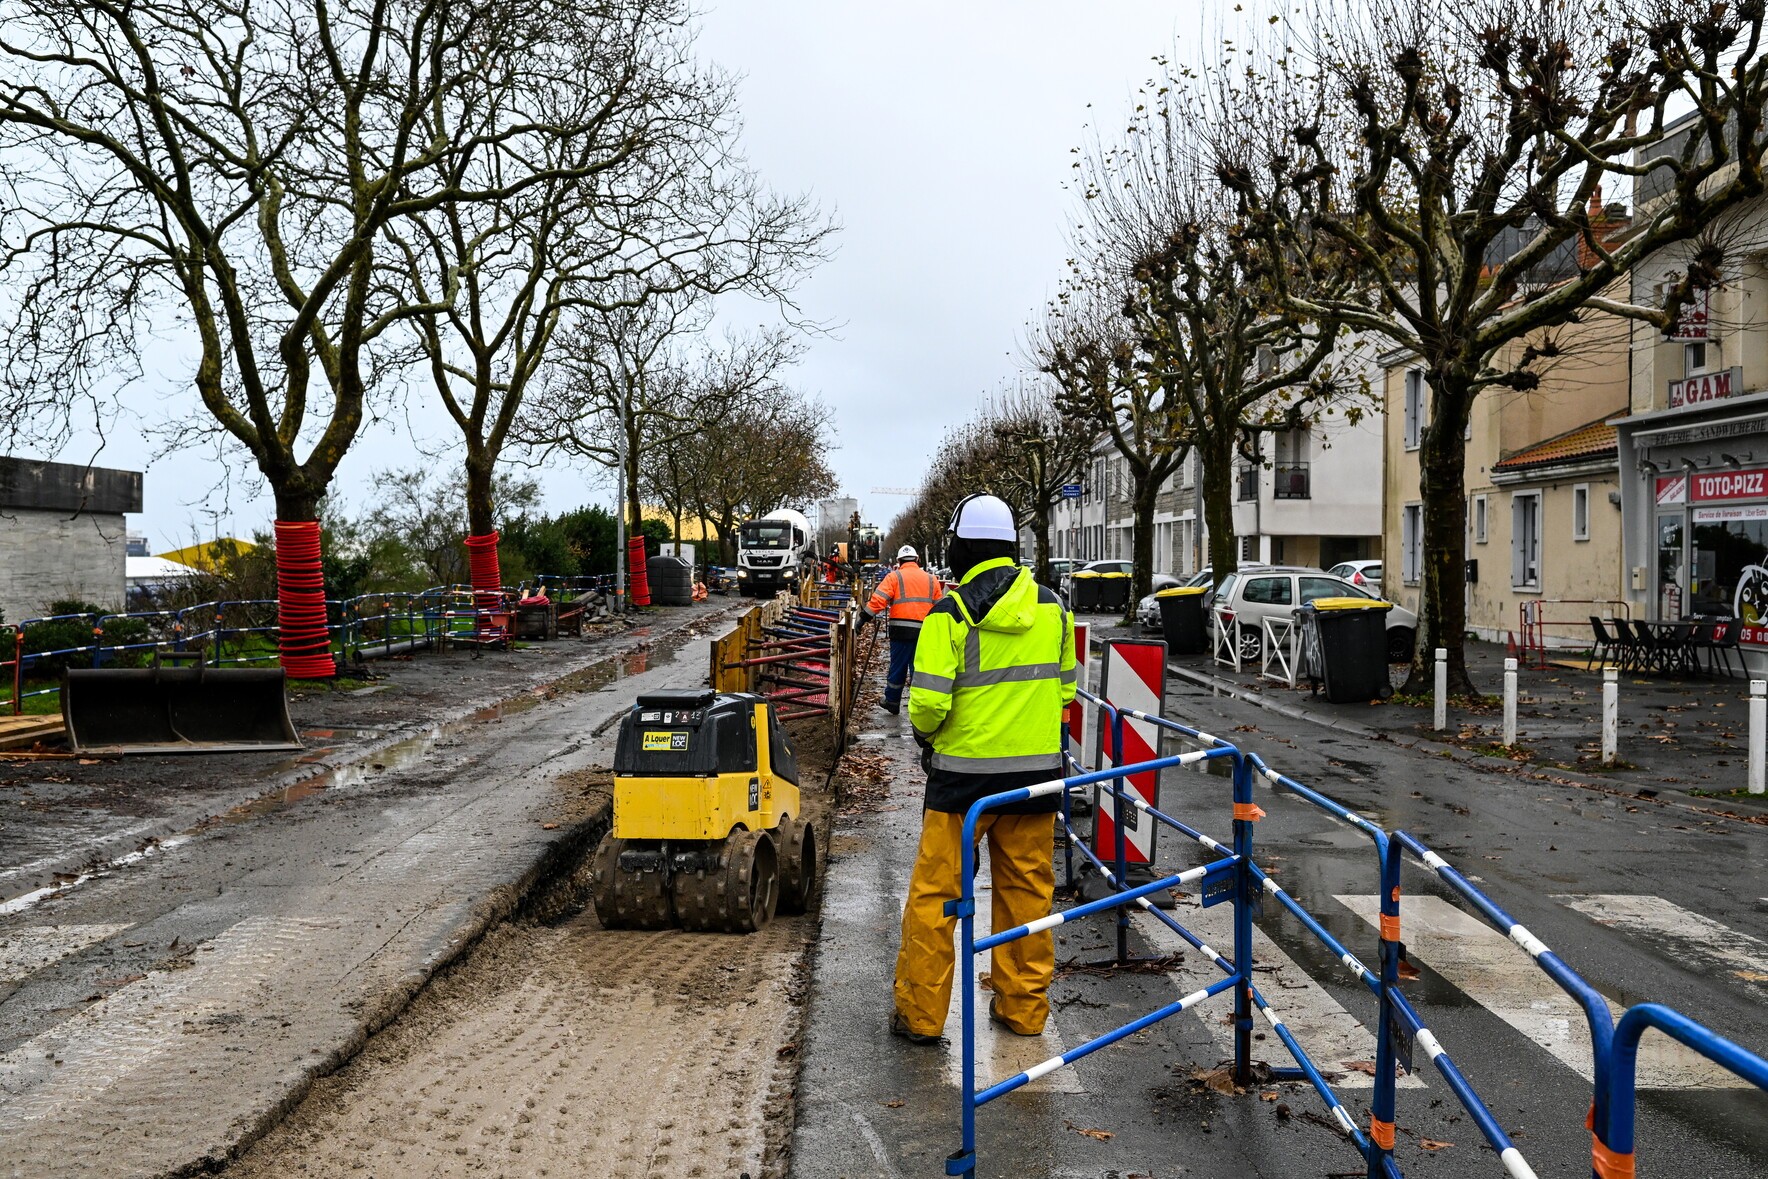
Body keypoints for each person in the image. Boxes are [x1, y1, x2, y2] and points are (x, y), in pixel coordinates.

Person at [891, 494, 1076, 1044]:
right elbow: (1066, 689)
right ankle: (1022, 1011)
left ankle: (921, 1018)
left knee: (937, 897)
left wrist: (930, 739)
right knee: (1026, 895)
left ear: (962, 546)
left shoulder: (949, 615)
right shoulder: (1053, 607)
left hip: (962, 785)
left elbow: (925, 705)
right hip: (1037, 779)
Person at [862, 545, 944, 715]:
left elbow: (879, 600)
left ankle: (892, 701)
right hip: (924, 631)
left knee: (898, 667)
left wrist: (863, 618)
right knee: (920, 668)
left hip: (900, 630)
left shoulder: (894, 577)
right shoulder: (931, 579)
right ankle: (919, 704)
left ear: (899, 561)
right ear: (917, 559)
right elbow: (940, 607)